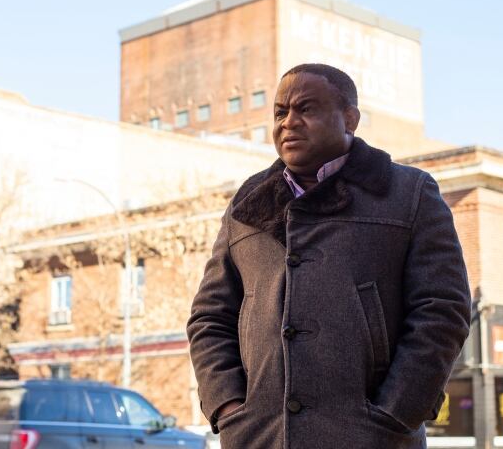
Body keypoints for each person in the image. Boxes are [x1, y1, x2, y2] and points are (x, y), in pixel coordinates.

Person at [186, 64, 471, 449]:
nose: (289, 122)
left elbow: (442, 310)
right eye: (280, 112)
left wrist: (396, 412)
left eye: (307, 109)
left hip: (372, 436)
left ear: (349, 118)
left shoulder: (409, 193)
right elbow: (210, 316)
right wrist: (228, 406)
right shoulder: (248, 202)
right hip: (260, 437)